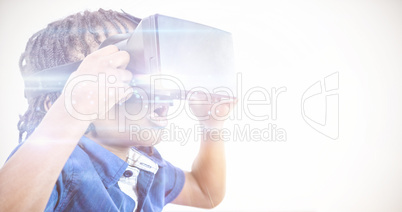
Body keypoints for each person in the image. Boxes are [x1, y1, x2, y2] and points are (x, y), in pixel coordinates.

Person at [0, 9, 236, 211]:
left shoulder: (149, 168)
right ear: (56, 102)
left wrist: (211, 123)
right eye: (126, 71)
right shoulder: (63, 167)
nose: (152, 90)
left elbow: (206, 192)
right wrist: (70, 111)